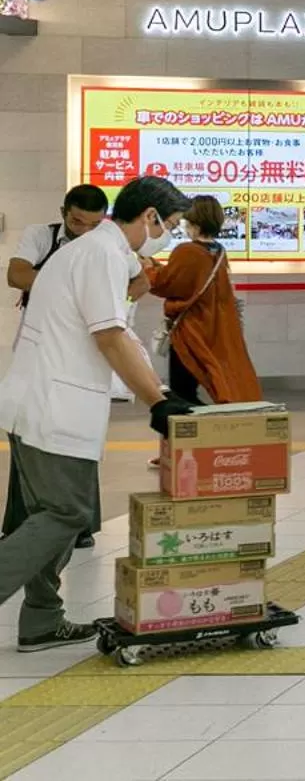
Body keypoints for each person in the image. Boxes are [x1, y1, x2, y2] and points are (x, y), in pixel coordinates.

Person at [0, 176, 195, 652]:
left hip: (43, 401)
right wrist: (157, 401)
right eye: (168, 224)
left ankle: (43, 620)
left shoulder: (103, 252)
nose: (169, 234)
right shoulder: (100, 254)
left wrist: (155, 387)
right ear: (148, 216)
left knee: (49, 515)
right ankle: (41, 616)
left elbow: (121, 325)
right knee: (67, 512)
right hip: (54, 407)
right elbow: (109, 335)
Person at [3, 184, 143, 552]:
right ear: (63, 211)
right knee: (30, 441)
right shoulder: (42, 236)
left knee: (77, 448)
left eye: (94, 224)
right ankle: (22, 527)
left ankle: (78, 527)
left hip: (81, 355)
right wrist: (65, 287)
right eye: (77, 221)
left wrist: (112, 297)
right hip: (40, 350)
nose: (84, 230)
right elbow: (16, 274)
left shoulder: (106, 249)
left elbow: (141, 279)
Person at [148, 195, 261, 405]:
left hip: (190, 331)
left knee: (183, 392)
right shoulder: (218, 251)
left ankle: (196, 433)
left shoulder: (187, 251)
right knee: (206, 384)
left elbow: (166, 283)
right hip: (212, 329)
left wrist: (147, 268)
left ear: (193, 222)